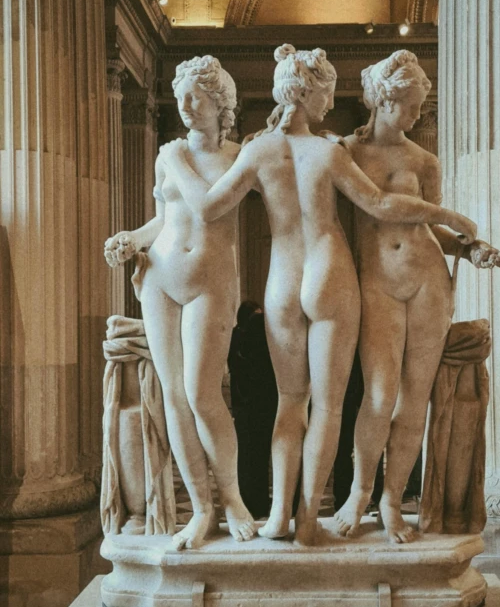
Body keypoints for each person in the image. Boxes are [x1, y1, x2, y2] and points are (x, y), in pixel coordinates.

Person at [159, 44, 477, 545]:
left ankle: (279, 514)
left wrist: (177, 160)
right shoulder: (330, 152)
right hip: (330, 274)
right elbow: (379, 203)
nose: (332, 100)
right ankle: (309, 521)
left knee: (291, 401)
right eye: (327, 91)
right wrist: (450, 218)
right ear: (310, 93)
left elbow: (208, 208)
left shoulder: (256, 151)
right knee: (328, 407)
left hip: (283, 279)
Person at [334, 50, 500, 543]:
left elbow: (433, 229)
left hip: (429, 280)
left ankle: (392, 502)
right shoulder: (348, 152)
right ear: (384, 100)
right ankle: (359, 493)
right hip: (377, 283)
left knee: (413, 402)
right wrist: (453, 217)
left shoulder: (424, 160)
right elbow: (379, 206)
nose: (415, 116)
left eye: (417, 107)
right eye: (409, 106)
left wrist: (473, 250)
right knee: (379, 395)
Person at [104, 56, 255, 550]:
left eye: (197, 97)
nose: (185, 106)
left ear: (221, 102)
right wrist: (133, 238)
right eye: (181, 96)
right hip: (159, 279)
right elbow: (166, 219)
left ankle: (231, 496)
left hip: (209, 283)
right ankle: (201, 510)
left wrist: (175, 161)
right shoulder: (167, 154)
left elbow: (206, 206)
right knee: (173, 396)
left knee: (202, 392)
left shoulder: (238, 156)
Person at [228, 302, 279, 519]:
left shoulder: (234, 337)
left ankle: (251, 501)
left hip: (244, 406)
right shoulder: (262, 336)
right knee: (267, 455)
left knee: (248, 458)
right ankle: (271, 502)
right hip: (266, 403)